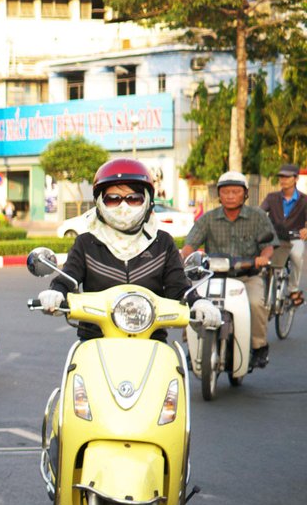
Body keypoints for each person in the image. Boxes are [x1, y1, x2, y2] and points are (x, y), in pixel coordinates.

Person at [37, 158, 219, 340]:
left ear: (148, 201)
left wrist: (199, 303)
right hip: (95, 341)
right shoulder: (86, 243)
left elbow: (178, 288)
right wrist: (57, 292)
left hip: (152, 342)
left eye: (133, 199)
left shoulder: (162, 242)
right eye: (113, 199)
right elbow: (69, 278)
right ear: (99, 202)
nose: (123, 206)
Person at [181, 170, 276, 369]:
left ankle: (259, 348)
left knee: (256, 303)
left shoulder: (257, 216)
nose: (231, 196)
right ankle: (192, 346)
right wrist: (187, 257)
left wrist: (263, 258)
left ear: (245, 194)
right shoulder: (208, 218)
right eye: (226, 192)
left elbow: (269, 244)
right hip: (212, 277)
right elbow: (190, 244)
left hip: (247, 276)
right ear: (219, 194)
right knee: (192, 303)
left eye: (235, 191)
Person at [261, 162, 307, 308]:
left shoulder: (304, 200)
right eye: (281, 177)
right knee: (263, 260)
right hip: (274, 237)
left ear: (295, 179)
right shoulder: (271, 197)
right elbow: (260, 213)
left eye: (287, 177)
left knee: (297, 256)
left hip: (294, 238)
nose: (283, 180)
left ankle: (293, 289)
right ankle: (263, 288)